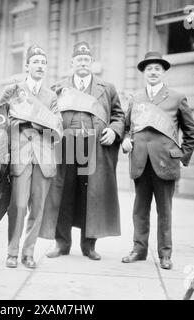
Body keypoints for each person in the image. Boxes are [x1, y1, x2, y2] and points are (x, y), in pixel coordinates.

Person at [41, 42, 126, 261]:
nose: (83, 63)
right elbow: (47, 115)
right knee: (63, 193)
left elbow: (119, 116)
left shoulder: (106, 88)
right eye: (78, 60)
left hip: (94, 148)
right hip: (66, 147)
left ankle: (89, 246)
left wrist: (114, 131)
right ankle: (62, 243)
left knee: (92, 196)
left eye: (86, 60)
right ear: (72, 63)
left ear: (92, 63)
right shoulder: (59, 88)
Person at [121, 52, 194, 270]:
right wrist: (126, 139)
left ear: (163, 72)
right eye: (149, 69)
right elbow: (127, 127)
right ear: (144, 73)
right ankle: (138, 249)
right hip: (140, 161)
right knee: (139, 210)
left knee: (165, 211)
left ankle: (165, 254)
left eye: (157, 69)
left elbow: (191, 130)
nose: (153, 72)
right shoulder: (135, 98)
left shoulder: (177, 97)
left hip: (165, 162)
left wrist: (183, 155)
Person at [0, 45, 62, 269]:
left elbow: (57, 130)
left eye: (43, 63)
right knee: (18, 205)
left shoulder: (51, 96)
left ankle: (28, 253)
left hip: (43, 158)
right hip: (20, 155)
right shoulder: (14, 90)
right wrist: (3, 151)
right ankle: (12, 252)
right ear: (27, 66)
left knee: (38, 208)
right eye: (36, 62)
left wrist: (29, 121)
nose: (40, 66)